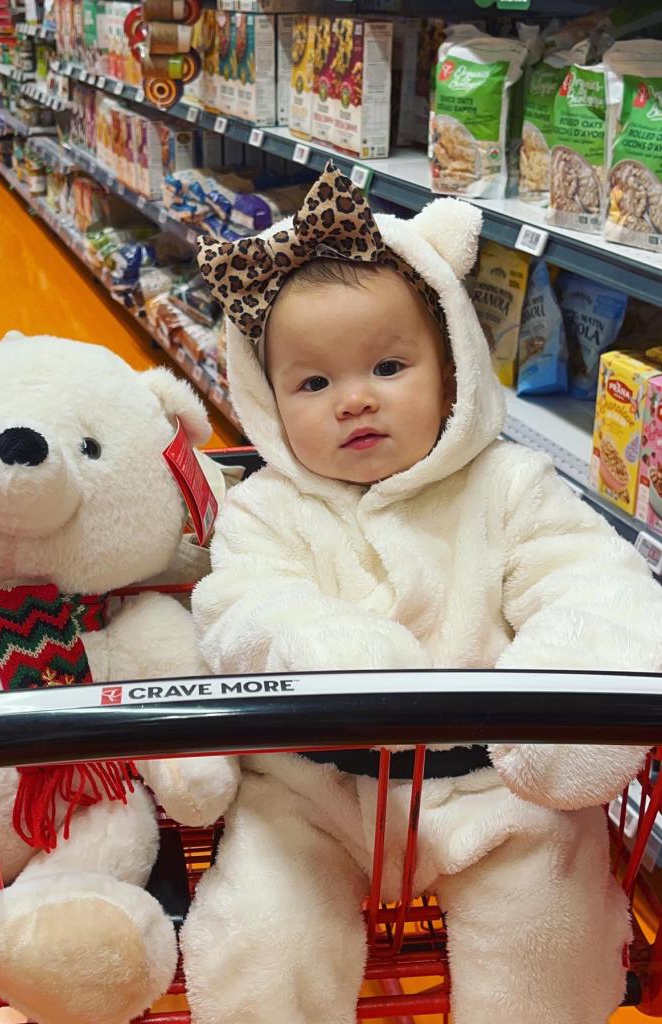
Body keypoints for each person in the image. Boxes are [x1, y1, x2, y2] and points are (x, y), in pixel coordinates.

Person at [180, 162, 662, 1024]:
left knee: (547, 923)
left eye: (390, 365)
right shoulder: (263, 509)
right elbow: (239, 610)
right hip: (313, 788)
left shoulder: (511, 485)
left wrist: (568, 690)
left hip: (498, 790)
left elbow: (594, 583)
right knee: (264, 926)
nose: (354, 399)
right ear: (264, 400)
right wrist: (319, 647)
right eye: (312, 383)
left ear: (454, 371)